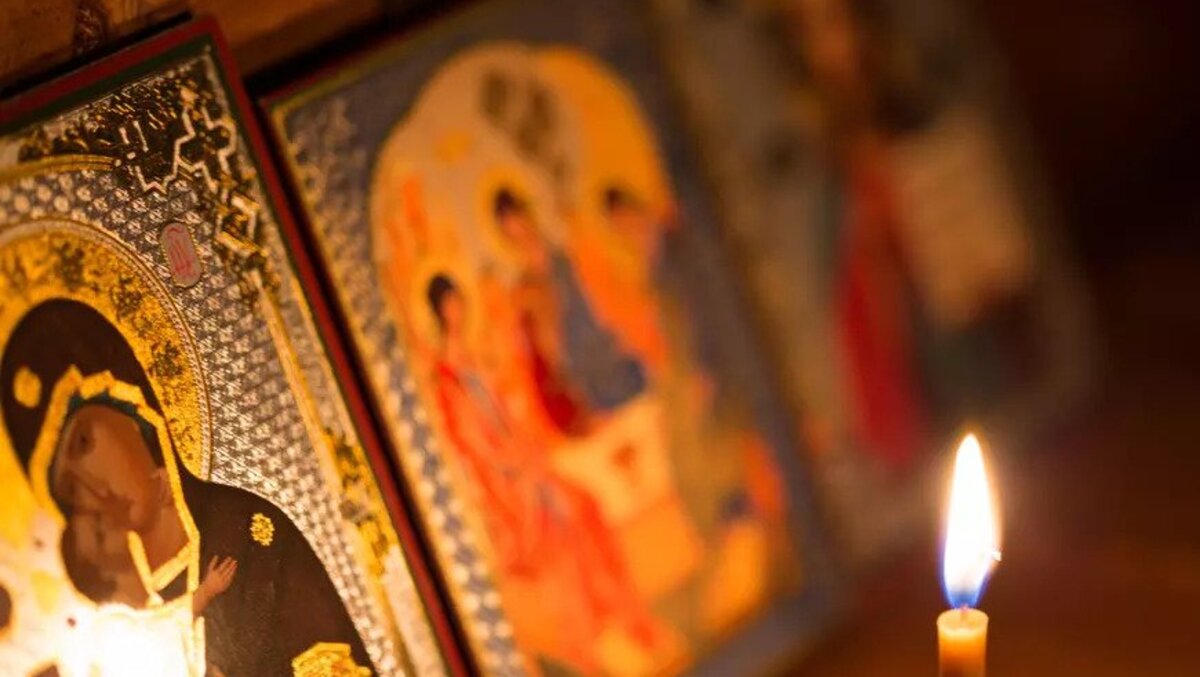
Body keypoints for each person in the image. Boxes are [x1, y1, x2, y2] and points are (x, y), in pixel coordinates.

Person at [1, 299, 374, 676]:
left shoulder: (250, 535)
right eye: (70, 488)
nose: (92, 486)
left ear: (134, 411)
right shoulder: (132, 630)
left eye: (84, 443)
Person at [424, 273, 668, 671]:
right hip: (506, 492)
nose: (458, 312)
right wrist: (514, 462)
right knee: (561, 540)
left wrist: (526, 450)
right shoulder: (447, 378)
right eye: (450, 305)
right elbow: (474, 443)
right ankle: (586, 645)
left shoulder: (474, 359)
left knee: (585, 507)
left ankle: (627, 618)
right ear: (440, 312)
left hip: (526, 469)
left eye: (459, 302)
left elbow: (508, 414)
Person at [494, 188, 646, 432]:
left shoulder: (567, 256)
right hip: (579, 368)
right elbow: (545, 342)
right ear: (507, 239)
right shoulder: (526, 285)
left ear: (529, 216)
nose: (522, 235)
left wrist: (622, 329)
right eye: (512, 233)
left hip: (608, 345)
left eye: (520, 222)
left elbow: (604, 293)